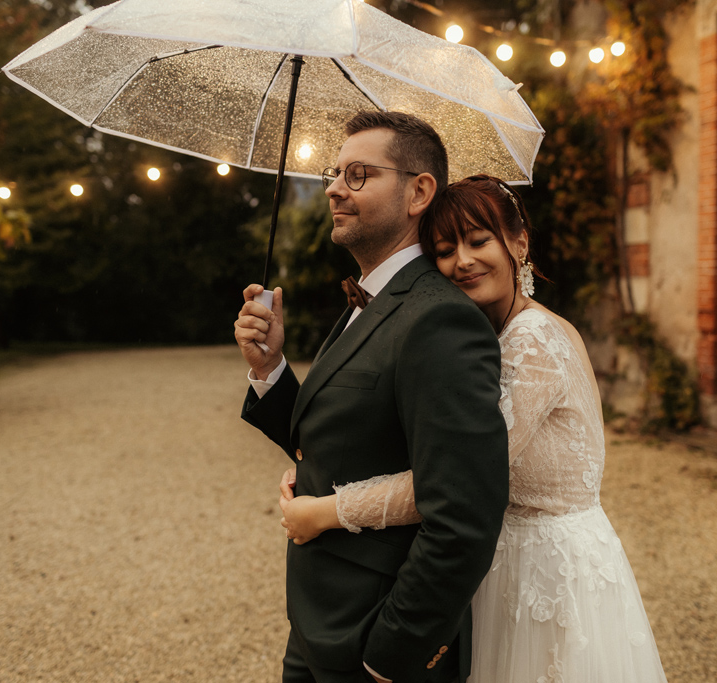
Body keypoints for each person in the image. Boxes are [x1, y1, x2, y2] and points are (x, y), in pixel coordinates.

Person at [278, 176, 669, 683]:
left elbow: (457, 480)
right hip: (494, 563)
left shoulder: (534, 341)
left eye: (479, 240)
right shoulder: (493, 334)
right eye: (444, 250)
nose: (462, 261)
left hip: (546, 570)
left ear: (519, 242)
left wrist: (326, 511)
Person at [234, 113, 510, 683]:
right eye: (335, 173)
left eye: (358, 175)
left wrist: (389, 656)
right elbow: (339, 441)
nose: (334, 187)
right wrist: (270, 369)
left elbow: (463, 517)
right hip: (317, 622)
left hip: (370, 642)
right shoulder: (375, 300)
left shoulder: (439, 322)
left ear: (418, 191)